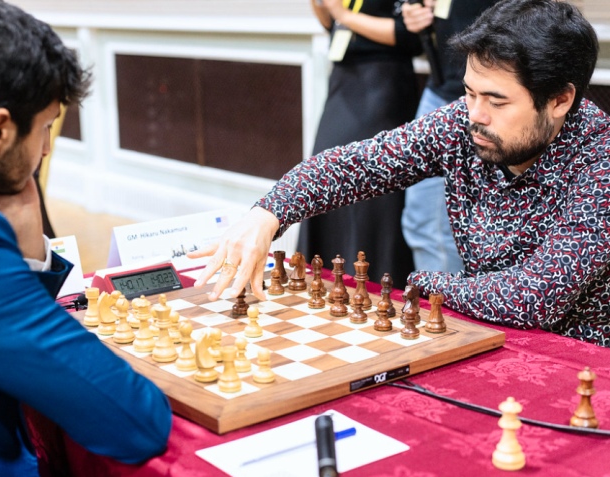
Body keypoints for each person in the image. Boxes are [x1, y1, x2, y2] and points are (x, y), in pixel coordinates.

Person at [189, 0, 610, 347]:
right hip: (483, 337)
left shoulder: (601, 164)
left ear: (559, 100)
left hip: (576, 361)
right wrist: (268, 214)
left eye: (497, 102)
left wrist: (426, 282)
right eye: (468, 93)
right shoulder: (461, 124)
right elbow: (357, 164)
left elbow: (531, 297)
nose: (475, 116)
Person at [0, 1, 171, 475]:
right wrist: (23, 253)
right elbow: (134, 421)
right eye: (45, 128)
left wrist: (29, 256)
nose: (46, 149)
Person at [297, 0, 421, 286]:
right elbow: (331, 24)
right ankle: (326, 277)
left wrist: (343, 14)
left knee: (375, 192)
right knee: (325, 172)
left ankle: (380, 282)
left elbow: (409, 36)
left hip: (383, 82)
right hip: (343, 79)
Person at [400, 0, 499, 273]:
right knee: (424, 222)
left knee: (437, 227)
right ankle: (442, 309)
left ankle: (448, 313)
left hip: (496, 88)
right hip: (442, 87)